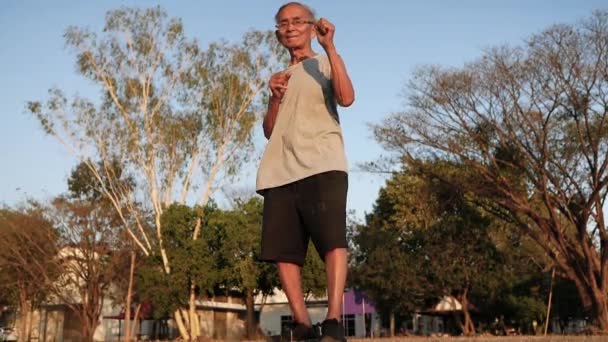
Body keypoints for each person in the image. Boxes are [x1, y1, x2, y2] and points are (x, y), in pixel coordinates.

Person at [256, 2, 355, 341]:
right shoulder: (281, 77)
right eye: (283, 23)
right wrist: (274, 98)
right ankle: (301, 324)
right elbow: (270, 131)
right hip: (279, 172)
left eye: (298, 21)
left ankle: (333, 322)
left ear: (313, 26)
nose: (290, 26)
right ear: (277, 33)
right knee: (284, 252)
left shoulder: (326, 63)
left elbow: (347, 97)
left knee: (332, 241)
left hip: (322, 164)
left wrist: (330, 47)